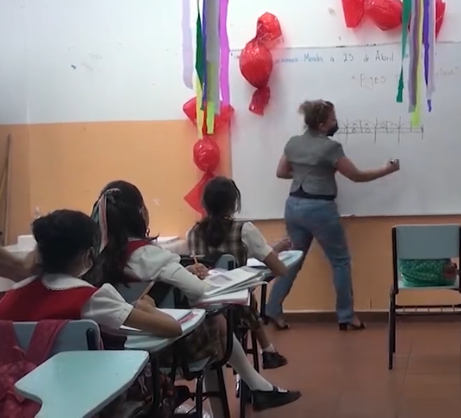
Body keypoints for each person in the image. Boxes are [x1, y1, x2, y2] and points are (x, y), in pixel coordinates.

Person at [91, 180, 301, 412]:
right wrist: (190, 277)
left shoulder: (96, 259)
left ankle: (253, 386)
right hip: (170, 350)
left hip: (114, 349)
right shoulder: (152, 255)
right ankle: (254, 387)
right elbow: (198, 291)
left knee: (215, 323)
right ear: (141, 213)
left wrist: (183, 272)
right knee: (216, 322)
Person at [0, 210, 182, 416]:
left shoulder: (9, 298)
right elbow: (172, 328)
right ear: (88, 255)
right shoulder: (90, 298)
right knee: (160, 384)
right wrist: (148, 306)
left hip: (19, 402)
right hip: (93, 401)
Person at [269, 99, 400, 331]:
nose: (335, 122)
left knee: (292, 261)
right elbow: (356, 176)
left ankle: (272, 310)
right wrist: (387, 170)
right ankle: (346, 316)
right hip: (320, 209)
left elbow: (281, 172)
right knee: (340, 262)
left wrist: (305, 172)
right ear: (321, 124)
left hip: (294, 206)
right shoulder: (330, 148)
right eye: (332, 119)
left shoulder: (293, 143)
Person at [186, 175, 291, 369]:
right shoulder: (244, 229)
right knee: (248, 296)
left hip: (204, 308)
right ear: (234, 203)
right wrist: (278, 256)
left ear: (204, 203)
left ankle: (264, 353)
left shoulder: (192, 232)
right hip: (237, 309)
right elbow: (277, 267)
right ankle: (267, 351)